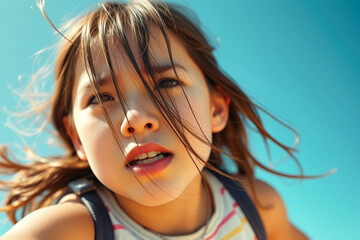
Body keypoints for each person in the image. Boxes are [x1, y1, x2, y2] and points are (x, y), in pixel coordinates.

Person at [0, 0, 310, 239]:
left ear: (216, 109)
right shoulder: (69, 231)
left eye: (167, 83)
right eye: (101, 98)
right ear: (77, 138)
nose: (134, 120)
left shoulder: (258, 207)